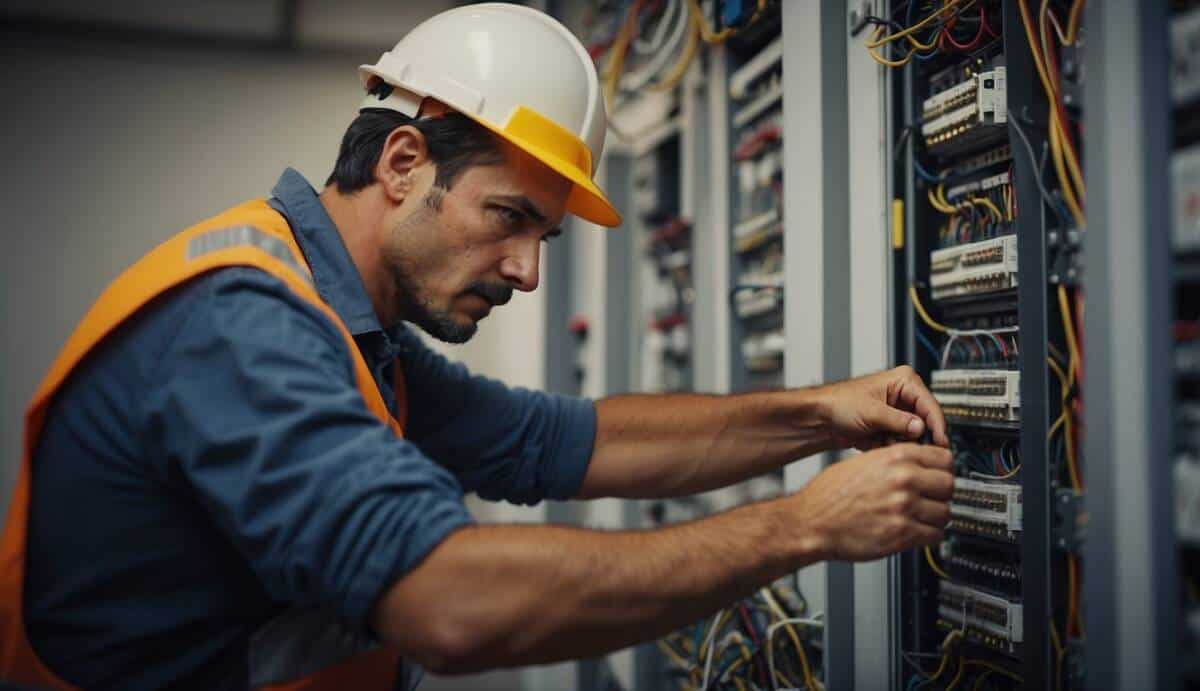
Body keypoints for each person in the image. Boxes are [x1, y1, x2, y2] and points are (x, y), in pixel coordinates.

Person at [0, 4, 953, 690]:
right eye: (510, 217)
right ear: (404, 164)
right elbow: (451, 603)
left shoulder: (349, 332)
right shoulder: (244, 329)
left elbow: (564, 442)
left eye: (543, 237)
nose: (527, 272)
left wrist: (824, 413)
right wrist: (802, 528)